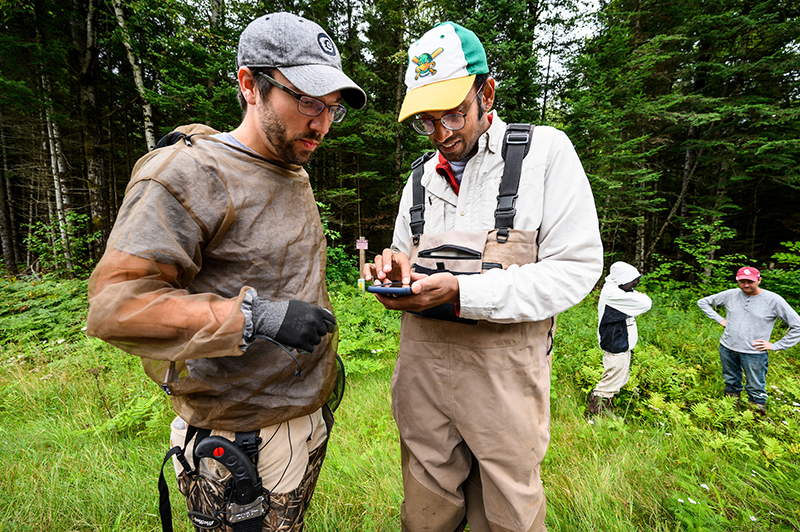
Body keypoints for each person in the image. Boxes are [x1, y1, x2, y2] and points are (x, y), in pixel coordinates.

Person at [86, 12, 365, 531]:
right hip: (240, 439)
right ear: (248, 84)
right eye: (307, 101)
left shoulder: (289, 167)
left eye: (331, 109)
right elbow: (115, 307)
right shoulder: (188, 174)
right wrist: (255, 318)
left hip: (302, 418)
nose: (322, 124)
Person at [363, 22, 603, 532]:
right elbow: (404, 251)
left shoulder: (545, 153)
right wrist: (393, 266)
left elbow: (576, 270)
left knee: (508, 511)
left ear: (486, 91)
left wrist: (463, 291)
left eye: (452, 113)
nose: (441, 133)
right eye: (426, 121)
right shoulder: (420, 177)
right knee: (426, 504)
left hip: (505, 375)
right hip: (423, 370)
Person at [697, 266, 800, 414]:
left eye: (750, 281)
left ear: (759, 280)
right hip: (728, 347)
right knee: (731, 381)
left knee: (756, 386)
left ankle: (755, 418)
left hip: (754, 352)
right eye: (742, 281)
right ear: (737, 281)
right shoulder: (731, 294)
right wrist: (720, 320)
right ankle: (730, 411)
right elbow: (703, 302)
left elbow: (797, 325)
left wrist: (777, 345)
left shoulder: (774, 300)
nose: (746, 285)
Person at [586, 261, 652, 416]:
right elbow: (646, 303)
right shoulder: (613, 295)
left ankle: (604, 407)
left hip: (621, 343)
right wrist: (634, 295)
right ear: (622, 280)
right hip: (615, 344)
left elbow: (640, 299)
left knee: (618, 379)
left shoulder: (618, 289)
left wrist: (631, 291)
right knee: (609, 382)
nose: (636, 284)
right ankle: (595, 412)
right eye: (633, 281)